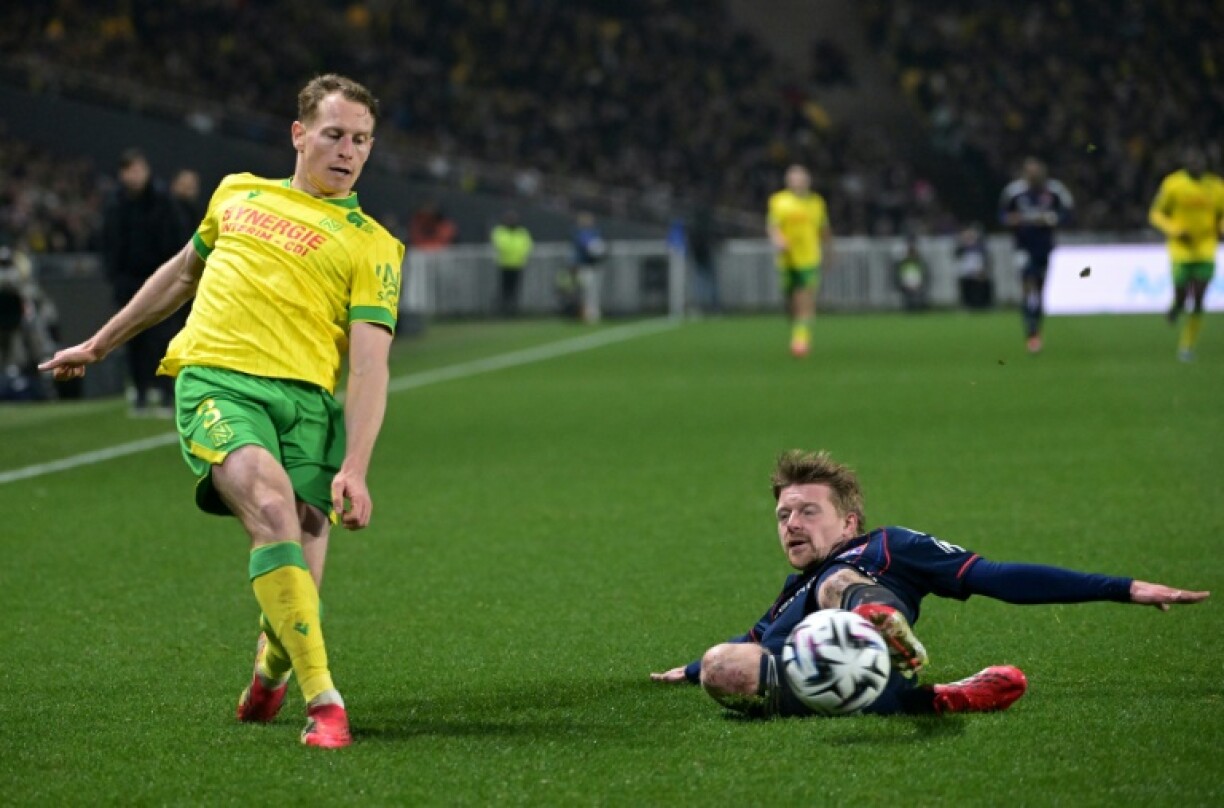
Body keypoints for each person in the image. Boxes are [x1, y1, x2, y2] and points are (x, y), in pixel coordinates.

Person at [40, 74, 404, 749]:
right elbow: (181, 274)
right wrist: (98, 343)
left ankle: (271, 669)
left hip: (306, 407)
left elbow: (368, 364)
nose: (348, 150)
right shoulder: (238, 191)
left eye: (361, 140)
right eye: (334, 134)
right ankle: (326, 704)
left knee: (299, 563)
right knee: (270, 508)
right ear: (299, 134)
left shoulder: (375, 246)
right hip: (218, 383)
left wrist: (355, 464)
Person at [651, 450, 1209, 718]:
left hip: (860, 624)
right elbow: (754, 639)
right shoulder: (788, 590)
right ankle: (931, 699)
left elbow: (994, 577)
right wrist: (695, 670)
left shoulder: (887, 546)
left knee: (836, 585)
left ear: (848, 521)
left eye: (806, 511)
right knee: (724, 665)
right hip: (808, 680)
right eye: (782, 516)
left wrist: (1121, 587)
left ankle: (877, 626)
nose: (791, 524)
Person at [102, 149, 185, 415]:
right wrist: (114, 276)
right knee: (131, 338)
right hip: (128, 280)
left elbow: (176, 237)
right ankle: (139, 392)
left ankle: (164, 392)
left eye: (137, 169)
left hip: (158, 277)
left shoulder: (162, 200)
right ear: (122, 173)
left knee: (162, 337)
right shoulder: (115, 203)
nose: (134, 176)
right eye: (129, 170)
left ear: (145, 170)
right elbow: (109, 242)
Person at [1148, 148, 1224, 362]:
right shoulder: (1173, 185)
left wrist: (1221, 228)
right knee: (1182, 294)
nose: (1196, 166)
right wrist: (1175, 230)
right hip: (1180, 250)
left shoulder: (1216, 186)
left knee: (1199, 297)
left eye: (1200, 162)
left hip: (1206, 248)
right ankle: (1176, 306)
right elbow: (1155, 213)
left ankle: (1187, 346)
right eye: (1192, 162)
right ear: (1185, 164)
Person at [999, 157, 1073, 354]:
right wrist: (1012, 220)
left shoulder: (1054, 191)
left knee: (1039, 290)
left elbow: (1067, 213)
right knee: (1027, 285)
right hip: (1023, 247)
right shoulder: (1014, 192)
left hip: (1044, 247)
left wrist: (1051, 219)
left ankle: (1036, 329)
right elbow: (1002, 215)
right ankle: (1031, 332)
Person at [767, 165, 832, 357]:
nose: (797, 182)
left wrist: (829, 251)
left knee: (804, 297)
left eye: (800, 178)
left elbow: (824, 229)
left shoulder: (816, 203)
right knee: (790, 302)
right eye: (793, 178)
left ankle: (801, 340)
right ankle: (798, 331)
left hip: (809, 257)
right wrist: (778, 240)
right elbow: (773, 226)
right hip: (787, 259)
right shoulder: (779, 201)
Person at [490, 209, 533, 316]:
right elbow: (500, 245)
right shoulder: (500, 231)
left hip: (518, 264)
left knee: (514, 290)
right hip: (504, 264)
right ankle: (501, 310)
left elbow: (528, 245)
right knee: (504, 289)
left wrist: (519, 253)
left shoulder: (522, 232)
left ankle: (512, 311)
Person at [572, 211, 606, 324]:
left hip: (594, 265)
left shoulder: (594, 232)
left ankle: (593, 313)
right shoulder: (580, 233)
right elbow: (587, 247)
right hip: (585, 266)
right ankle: (587, 314)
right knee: (587, 291)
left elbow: (599, 248)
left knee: (593, 291)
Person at [687, 202, 721, 316]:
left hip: (698, 257)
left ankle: (700, 307)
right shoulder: (705, 226)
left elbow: (691, 243)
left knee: (700, 282)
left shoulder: (694, 227)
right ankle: (714, 307)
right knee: (709, 282)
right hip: (705, 256)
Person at [955, 224, 993, 311]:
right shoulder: (962, 247)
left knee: (980, 289)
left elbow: (985, 258)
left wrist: (984, 270)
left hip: (978, 272)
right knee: (966, 290)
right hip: (966, 273)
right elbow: (957, 255)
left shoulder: (980, 246)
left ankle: (983, 305)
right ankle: (967, 305)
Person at [892, 234, 928, 312]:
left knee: (918, 298)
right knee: (908, 300)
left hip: (917, 283)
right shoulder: (904, 262)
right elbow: (900, 274)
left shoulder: (919, 262)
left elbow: (923, 274)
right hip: (907, 283)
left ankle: (918, 309)